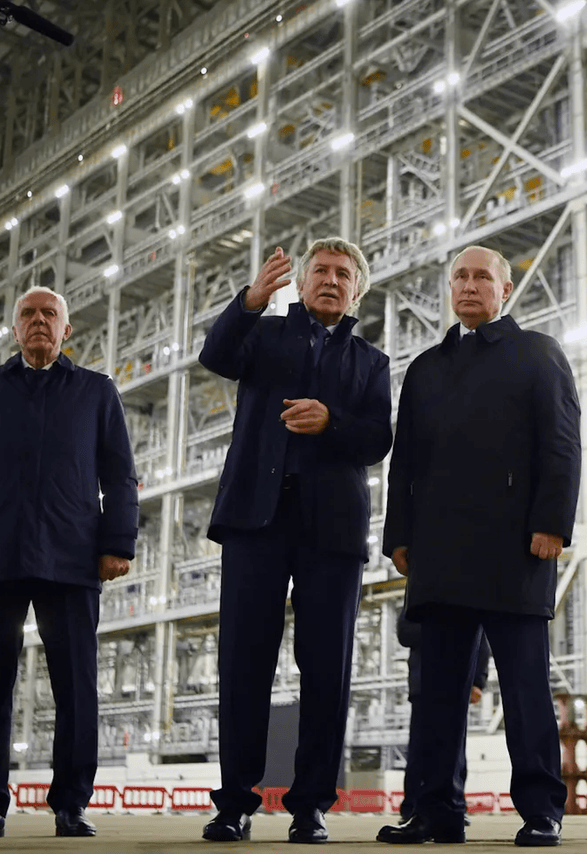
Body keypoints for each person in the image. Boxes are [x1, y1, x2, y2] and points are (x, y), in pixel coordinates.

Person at [378, 245, 581, 847]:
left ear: (505, 290)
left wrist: (552, 523)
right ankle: (434, 809)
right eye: (461, 277)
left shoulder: (538, 354)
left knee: (525, 688)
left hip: (516, 549)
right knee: (437, 694)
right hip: (439, 553)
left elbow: (563, 444)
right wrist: (400, 535)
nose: (470, 286)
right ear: (450, 288)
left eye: (482, 277)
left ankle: (542, 810)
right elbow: (404, 461)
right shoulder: (425, 369)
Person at [198, 237, 392, 844]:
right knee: (243, 663)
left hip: (330, 530)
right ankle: (233, 803)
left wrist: (331, 422)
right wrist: (249, 301)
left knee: (327, 669)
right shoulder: (264, 336)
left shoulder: (371, 362)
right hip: (256, 520)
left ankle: (311, 806)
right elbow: (216, 355)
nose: (331, 281)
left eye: (343, 274)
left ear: (357, 290)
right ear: (301, 284)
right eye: (321, 272)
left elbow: (377, 440)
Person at [0, 285, 138, 839]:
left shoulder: (96, 392)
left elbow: (119, 474)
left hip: (72, 557)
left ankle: (71, 804)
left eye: (51, 314)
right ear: (15, 329)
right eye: (29, 314)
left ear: (67, 330)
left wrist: (118, 541)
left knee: (76, 686)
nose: (39, 321)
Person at [397, 603, 490, 822]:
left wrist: (478, 681)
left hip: (457, 684)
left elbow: (481, 639)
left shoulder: (466, 596)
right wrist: (444, 628)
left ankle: (453, 806)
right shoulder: (417, 597)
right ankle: (412, 808)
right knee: (420, 749)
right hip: (423, 685)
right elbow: (404, 634)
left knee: (456, 750)